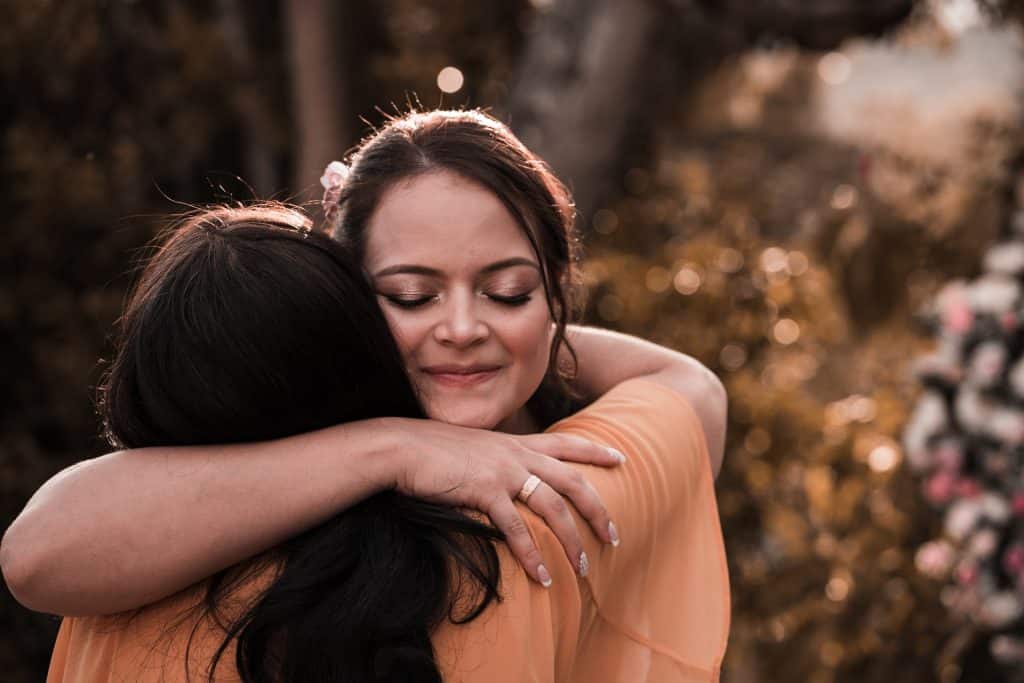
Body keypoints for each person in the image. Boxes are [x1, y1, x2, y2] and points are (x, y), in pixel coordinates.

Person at [5, 109, 729, 679]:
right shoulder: (556, 506)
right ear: (344, 293)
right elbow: (689, 388)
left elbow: (39, 552)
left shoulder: (167, 570)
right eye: (411, 295)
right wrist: (406, 442)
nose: (463, 327)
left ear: (554, 292)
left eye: (508, 292)